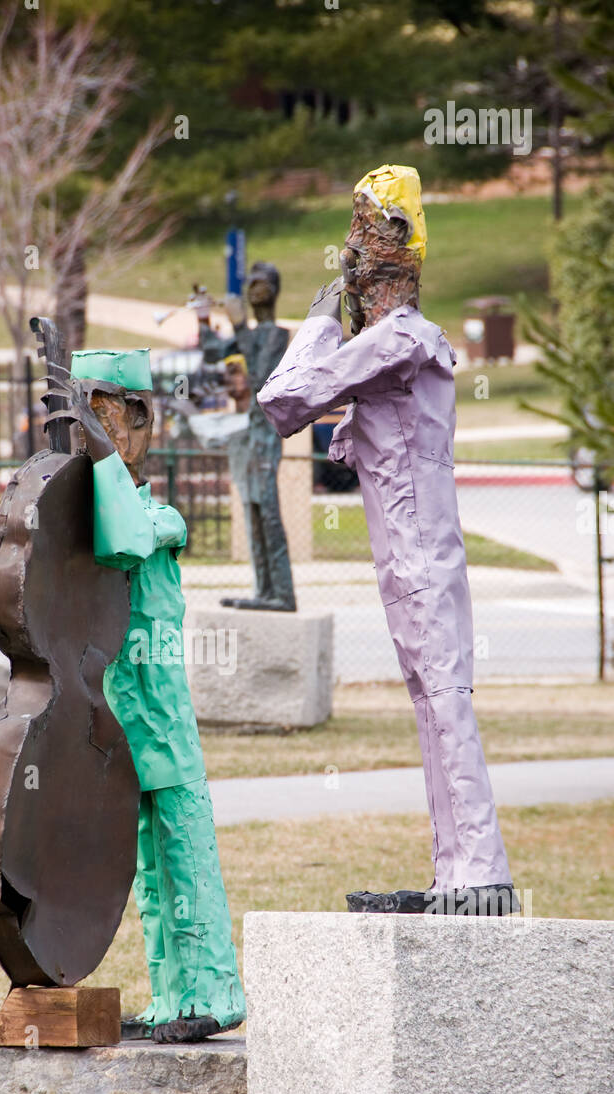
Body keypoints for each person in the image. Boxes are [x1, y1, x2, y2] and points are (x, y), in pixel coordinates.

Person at [258, 165, 517, 915]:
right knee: (433, 700)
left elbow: (283, 402)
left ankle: (478, 870)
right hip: (411, 553)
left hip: (418, 556)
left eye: (362, 232)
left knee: (442, 699)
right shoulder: (397, 347)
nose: (347, 251)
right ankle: (460, 872)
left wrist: (315, 322)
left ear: (395, 245)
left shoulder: (398, 340)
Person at [47, 346, 247, 1040]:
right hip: (122, 723)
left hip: (163, 720)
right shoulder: (98, 508)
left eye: (105, 419)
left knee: (186, 857)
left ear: (139, 423)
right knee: (150, 874)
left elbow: (127, 538)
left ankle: (214, 995)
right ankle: (171, 996)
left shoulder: (157, 516)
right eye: (86, 420)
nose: (95, 435)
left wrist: (96, 450)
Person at [198, 263, 296, 611]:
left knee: (268, 512)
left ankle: (282, 593)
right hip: (247, 436)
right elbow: (212, 353)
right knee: (252, 513)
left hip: (266, 436)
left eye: (260, 283)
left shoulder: (276, 336)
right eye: (250, 282)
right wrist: (203, 318)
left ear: (273, 289)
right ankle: (264, 590)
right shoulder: (250, 336)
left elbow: (260, 382)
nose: (253, 289)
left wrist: (239, 325)